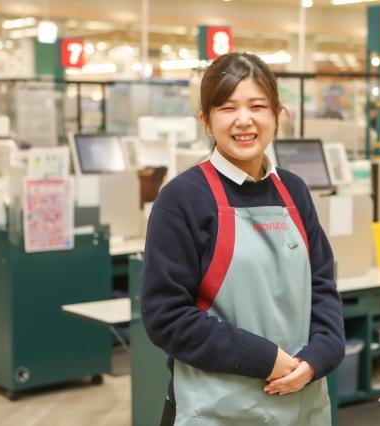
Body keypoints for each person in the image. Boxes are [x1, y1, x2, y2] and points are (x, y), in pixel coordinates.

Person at [141, 52, 346, 426]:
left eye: (257, 106)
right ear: (205, 120)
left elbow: (323, 290)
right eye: (227, 108)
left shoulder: (294, 192)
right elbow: (165, 316)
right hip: (216, 409)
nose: (244, 120)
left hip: (302, 401)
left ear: (277, 114)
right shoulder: (183, 199)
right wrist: (269, 361)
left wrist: (317, 358)